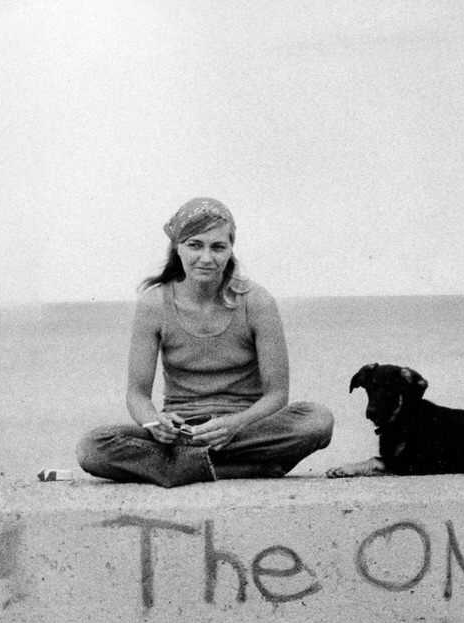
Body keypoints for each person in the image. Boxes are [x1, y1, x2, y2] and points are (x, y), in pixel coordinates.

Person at [77, 198, 333, 487]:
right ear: (177, 248)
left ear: (230, 249)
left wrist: (233, 425)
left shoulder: (257, 302)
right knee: (92, 447)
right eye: (195, 245)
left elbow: (277, 396)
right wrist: (153, 423)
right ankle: (243, 469)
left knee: (317, 421)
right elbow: (137, 395)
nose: (207, 257)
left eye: (218, 247)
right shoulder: (154, 304)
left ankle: (178, 471)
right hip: (182, 434)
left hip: (243, 431)